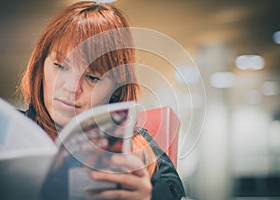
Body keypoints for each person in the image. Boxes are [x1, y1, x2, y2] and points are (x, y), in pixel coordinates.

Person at [18, 1, 185, 199]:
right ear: (41, 65)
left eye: (93, 77)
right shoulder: (11, 131)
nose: (72, 88)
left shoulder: (146, 157)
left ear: (116, 90)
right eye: (60, 66)